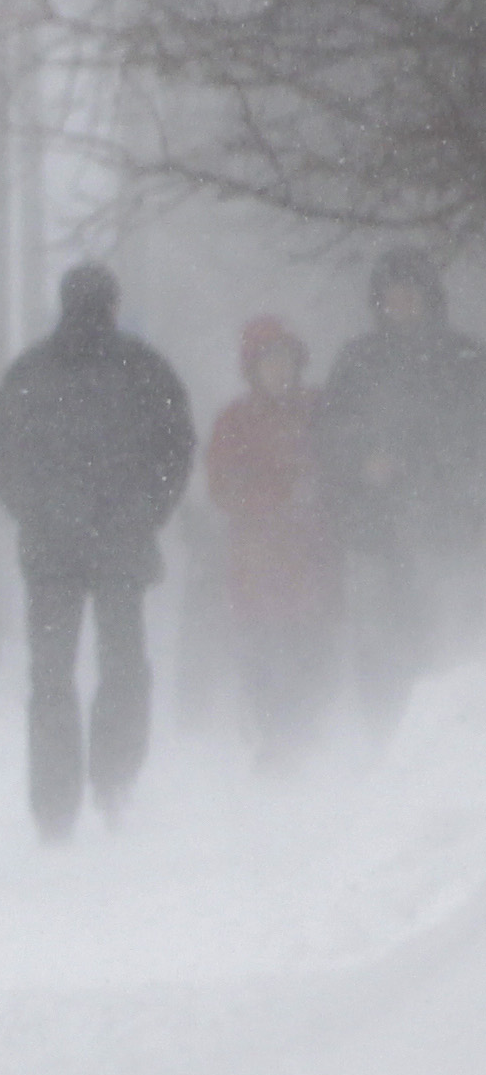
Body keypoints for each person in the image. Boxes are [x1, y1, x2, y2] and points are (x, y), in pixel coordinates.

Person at [0, 266, 195, 837]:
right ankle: (115, 781)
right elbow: (177, 448)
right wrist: (148, 511)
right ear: (114, 303)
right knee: (123, 666)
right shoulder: (144, 369)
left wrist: (34, 509)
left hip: (55, 548)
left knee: (53, 677)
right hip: (116, 544)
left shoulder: (31, 371)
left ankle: (55, 806)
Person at [314, 248, 485, 734]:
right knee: (380, 642)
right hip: (376, 529)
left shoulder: (465, 358)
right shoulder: (357, 359)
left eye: (412, 290)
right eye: (393, 292)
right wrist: (363, 461)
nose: (403, 301)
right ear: (378, 300)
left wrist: (462, 486)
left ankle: (446, 743)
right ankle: (383, 740)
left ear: (431, 297)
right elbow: (327, 434)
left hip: (449, 526)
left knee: (449, 637)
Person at [201, 316, 336, 764]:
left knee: (308, 646)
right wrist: (276, 500)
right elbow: (221, 486)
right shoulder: (235, 421)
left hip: (311, 554)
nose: (279, 370)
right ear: (252, 368)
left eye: (285, 360)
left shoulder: (319, 409)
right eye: (269, 361)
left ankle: (304, 735)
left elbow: (341, 461)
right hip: (257, 559)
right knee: (261, 650)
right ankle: (272, 739)